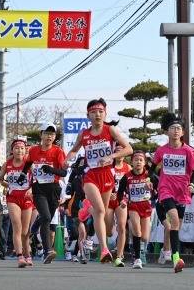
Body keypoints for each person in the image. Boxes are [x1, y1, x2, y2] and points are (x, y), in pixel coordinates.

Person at [65, 98, 133, 264]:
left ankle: (86, 210)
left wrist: (111, 156)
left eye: (101, 111)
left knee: (102, 218)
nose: (98, 114)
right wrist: (68, 158)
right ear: (88, 115)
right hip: (90, 176)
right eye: (94, 112)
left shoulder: (111, 131)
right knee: (101, 211)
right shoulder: (84, 134)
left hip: (107, 176)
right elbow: (74, 150)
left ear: (105, 113)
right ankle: (104, 249)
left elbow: (129, 149)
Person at [152, 112, 194, 273]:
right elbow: (152, 169)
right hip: (166, 189)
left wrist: (192, 184)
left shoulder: (189, 151)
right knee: (174, 221)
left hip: (182, 191)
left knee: (177, 226)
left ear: (183, 132)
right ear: (167, 131)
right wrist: (150, 181)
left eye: (178, 128)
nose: (175, 131)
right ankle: (176, 258)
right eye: (172, 128)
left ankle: (166, 250)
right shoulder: (161, 151)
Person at [27, 123, 68, 264]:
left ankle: (33, 228)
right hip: (39, 188)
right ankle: (47, 251)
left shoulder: (58, 151)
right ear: (41, 134)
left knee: (47, 217)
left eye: (52, 134)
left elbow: (64, 172)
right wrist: (22, 175)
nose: (49, 136)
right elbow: (27, 164)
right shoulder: (33, 151)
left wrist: (51, 170)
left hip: (54, 189)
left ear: (55, 137)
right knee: (45, 217)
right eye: (46, 133)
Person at [117, 151, 157, 269]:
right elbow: (120, 192)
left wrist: (153, 190)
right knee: (137, 231)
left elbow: (158, 190)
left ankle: (139, 250)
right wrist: (122, 201)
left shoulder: (150, 176)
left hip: (146, 206)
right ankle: (137, 259)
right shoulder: (127, 176)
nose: (138, 162)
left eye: (141, 160)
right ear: (132, 162)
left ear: (144, 163)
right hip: (133, 206)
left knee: (144, 237)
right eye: (136, 160)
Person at [0, 139, 35, 268]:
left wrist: (31, 189)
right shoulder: (7, 164)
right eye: (17, 148)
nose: (20, 150)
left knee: (25, 231)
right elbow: (0, 179)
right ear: (12, 150)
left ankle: (27, 254)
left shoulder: (29, 163)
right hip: (13, 198)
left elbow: (36, 181)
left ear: (25, 151)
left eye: (22, 148)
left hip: (27, 198)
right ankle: (20, 256)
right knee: (16, 226)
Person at [106, 145, 131, 266]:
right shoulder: (108, 168)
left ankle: (120, 256)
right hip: (108, 200)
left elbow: (132, 184)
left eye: (122, 152)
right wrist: (109, 192)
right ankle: (109, 245)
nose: (120, 154)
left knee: (121, 227)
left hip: (121, 201)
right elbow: (103, 183)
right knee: (109, 231)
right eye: (117, 152)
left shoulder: (128, 168)